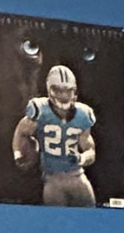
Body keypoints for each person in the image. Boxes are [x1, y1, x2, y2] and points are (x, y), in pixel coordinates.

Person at [13, 63, 97, 206]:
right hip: (53, 179)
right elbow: (21, 132)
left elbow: (90, 149)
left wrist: (82, 158)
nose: (63, 95)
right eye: (57, 90)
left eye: (67, 90)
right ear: (49, 90)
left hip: (76, 176)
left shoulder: (83, 114)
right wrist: (20, 153)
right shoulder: (39, 111)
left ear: (74, 92)